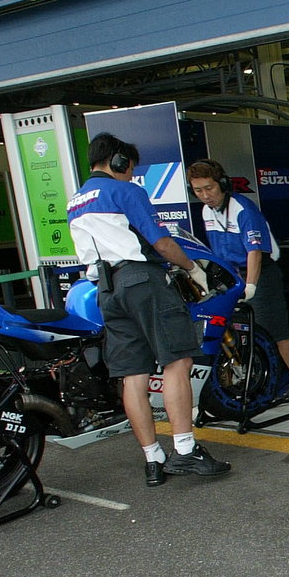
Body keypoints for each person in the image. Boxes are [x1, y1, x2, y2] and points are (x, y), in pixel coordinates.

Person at [66, 133, 231, 487]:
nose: (131, 174)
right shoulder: (125, 191)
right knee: (177, 361)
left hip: (106, 290)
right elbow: (162, 243)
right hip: (142, 281)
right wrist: (192, 268)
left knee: (133, 375)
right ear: (119, 161)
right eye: (129, 167)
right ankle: (185, 450)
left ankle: (153, 459)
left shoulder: (75, 201)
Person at [186, 159, 289, 405]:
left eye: (209, 188)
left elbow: (255, 251)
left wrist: (251, 286)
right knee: (236, 329)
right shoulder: (206, 212)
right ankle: (250, 378)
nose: (205, 195)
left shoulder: (243, 209)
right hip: (233, 274)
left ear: (222, 184)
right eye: (198, 190)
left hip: (261, 273)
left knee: (274, 330)